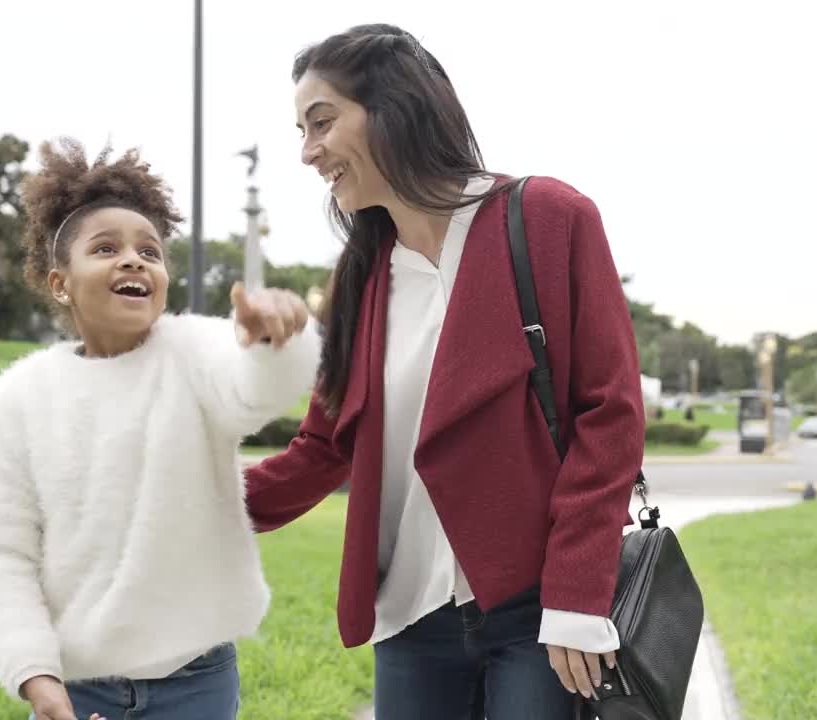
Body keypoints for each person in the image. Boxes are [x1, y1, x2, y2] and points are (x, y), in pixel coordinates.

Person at [242, 24, 645, 720]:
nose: (308, 152)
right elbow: (322, 449)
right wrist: (187, 503)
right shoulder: (360, 277)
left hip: (537, 613)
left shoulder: (547, 218)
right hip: (409, 623)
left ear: (395, 107)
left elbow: (608, 413)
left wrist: (577, 592)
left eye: (322, 122)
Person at [0, 139, 320, 720]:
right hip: (76, 685)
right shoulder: (20, 398)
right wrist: (35, 674)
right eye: (106, 249)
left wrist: (274, 341)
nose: (134, 260)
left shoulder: (194, 352)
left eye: (149, 251)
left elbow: (254, 388)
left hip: (196, 681)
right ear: (60, 283)